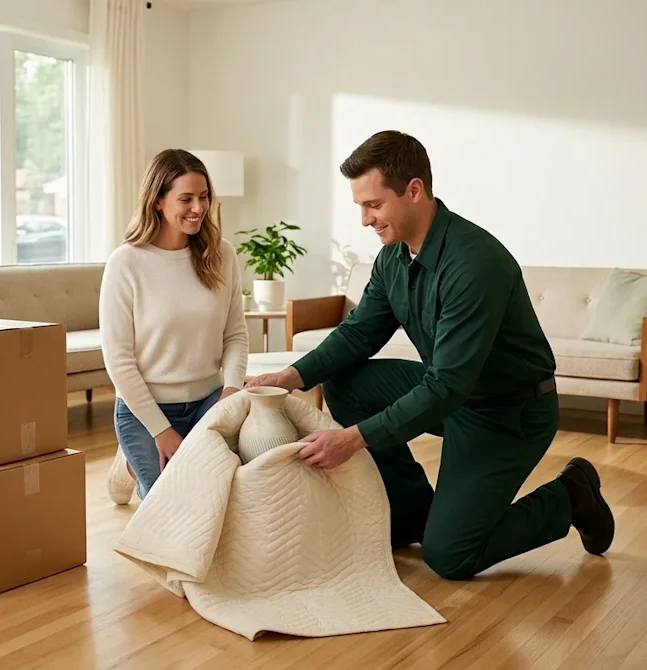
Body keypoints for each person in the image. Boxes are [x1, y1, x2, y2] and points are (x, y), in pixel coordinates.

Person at [247, 130, 614, 580]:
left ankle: (570, 496)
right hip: (453, 393)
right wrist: (289, 376)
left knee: (450, 557)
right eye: (360, 206)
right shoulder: (393, 258)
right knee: (346, 382)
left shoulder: (475, 263)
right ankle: (413, 514)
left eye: (373, 204)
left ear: (414, 190)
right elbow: (360, 333)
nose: (365, 219)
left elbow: (448, 385)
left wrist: (354, 439)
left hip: (509, 414)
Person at [101, 148, 250, 504]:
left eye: (204, 197)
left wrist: (230, 392)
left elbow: (236, 335)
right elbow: (119, 360)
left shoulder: (222, 255)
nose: (198, 208)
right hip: (145, 408)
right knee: (170, 511)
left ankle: (137, 462)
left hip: (209, 400)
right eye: (186, 199)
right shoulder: (126, 263)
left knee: (220, 499)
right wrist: (161, 431)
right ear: (157, 201)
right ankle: (130, 465)